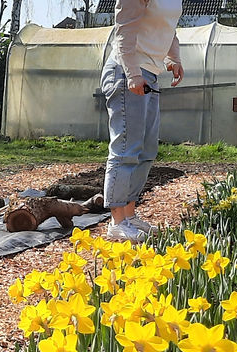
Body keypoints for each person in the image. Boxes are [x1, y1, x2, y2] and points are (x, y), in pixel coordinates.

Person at [100, 0, 184, 242]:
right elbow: (124, 31)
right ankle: (117, 222)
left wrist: (173, 58)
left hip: (151, 74)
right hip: (127, 72)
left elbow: (168, 28)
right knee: (126, 148)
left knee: (146, 150)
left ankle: (129, 214)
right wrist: (133, 74)